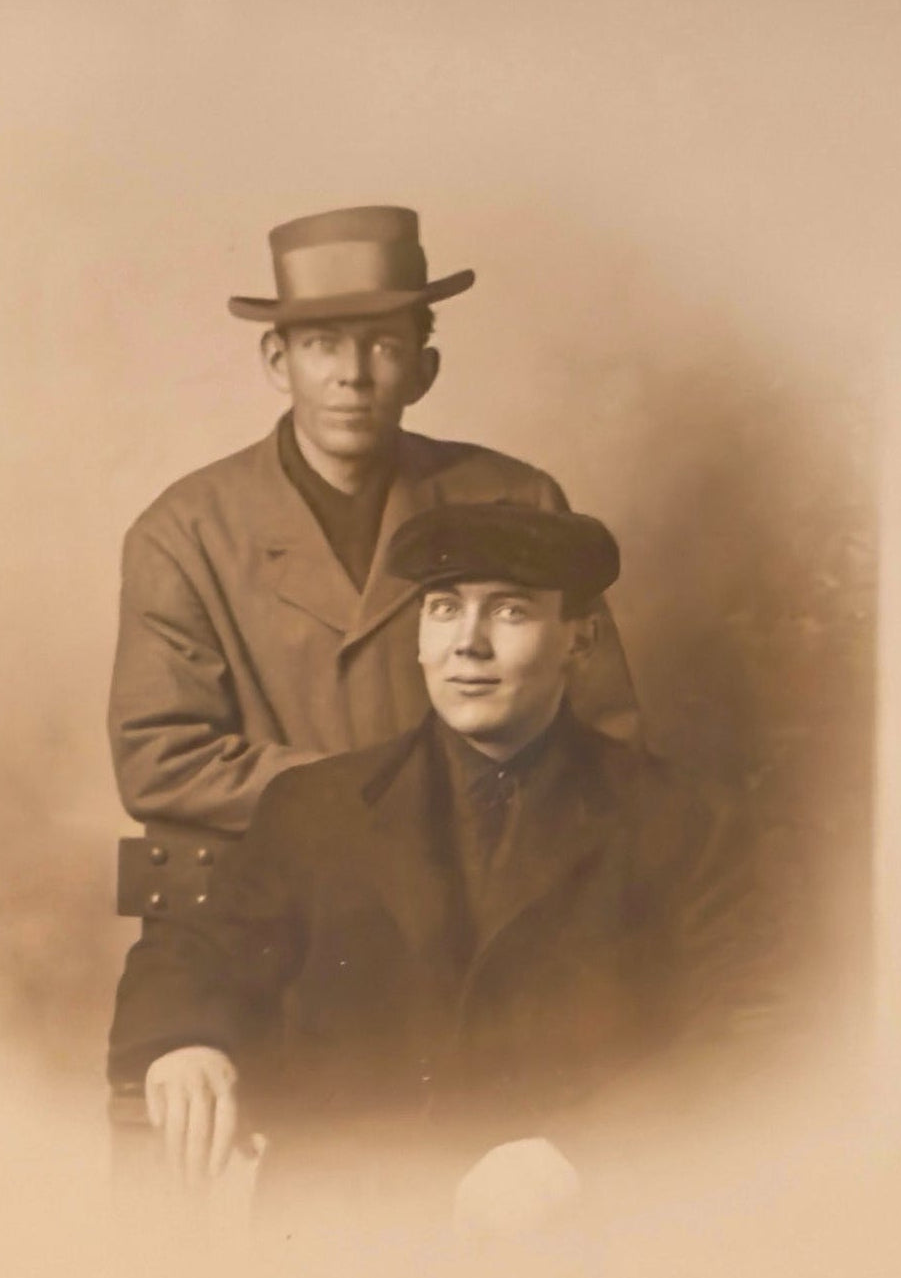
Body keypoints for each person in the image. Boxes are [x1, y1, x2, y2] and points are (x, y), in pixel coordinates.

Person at [108, 502, 753, 1213]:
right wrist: (186, 1041)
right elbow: (192, 950)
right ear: (418, 635)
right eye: (444, 609)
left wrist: (582, 1151)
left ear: (580, 640)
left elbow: (748, 1034)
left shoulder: (680, 818)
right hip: (341, 1232)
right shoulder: (314, 806)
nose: (466, 645)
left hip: (573, 1231)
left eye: (509, 613)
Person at [108, 205, 638, 929]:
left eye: (383, 345)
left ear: (423, 369)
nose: (352, 376)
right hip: (275, 909)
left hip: (485, 901)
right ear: (276, 360)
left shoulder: (517, 499)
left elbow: (606, 730)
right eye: (323, 344)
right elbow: (160, 760)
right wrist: (387, 793)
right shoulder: (183, 531)